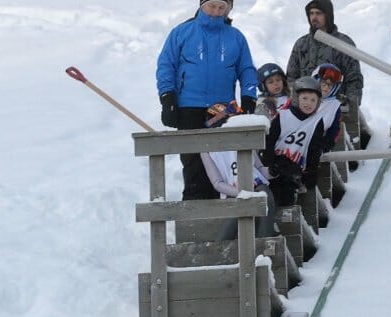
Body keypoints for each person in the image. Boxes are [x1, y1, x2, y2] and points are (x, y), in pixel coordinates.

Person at [156, 0, 261, 201]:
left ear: (229, 9)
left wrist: (249, 97)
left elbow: (247, 69)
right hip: (189, 108)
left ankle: (228, 209)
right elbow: (166, 66)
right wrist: (167, 97)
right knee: (193, 161)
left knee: (223, 160)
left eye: (222, 8)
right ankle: (195, 212)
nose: (216, 12)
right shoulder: (181, 32)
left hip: (223, 110)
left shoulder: (236, 37)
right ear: (202, 5)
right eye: (212, 6)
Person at [286, 1, 367, 146]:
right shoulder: (301, 44)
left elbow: (354, 79)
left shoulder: (344, 43)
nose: (314, 17)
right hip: (306, 108)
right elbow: (292, 77)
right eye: (311, 14)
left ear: (328, 15)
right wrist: (298, 103)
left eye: (318, 13)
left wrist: (350, 107)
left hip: (336, 109)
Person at [265, 77, 330, 209]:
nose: (309, 103)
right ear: (296, 98)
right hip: (275, 163)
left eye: (313, 100)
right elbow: (269, 141)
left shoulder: (317, 122)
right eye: (305, 98)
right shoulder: (283, 116)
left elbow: (314, 149)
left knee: (287, 192)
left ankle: (284, 221)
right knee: (270, 190)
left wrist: (311, 174)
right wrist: (270, 162)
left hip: (295, 168)